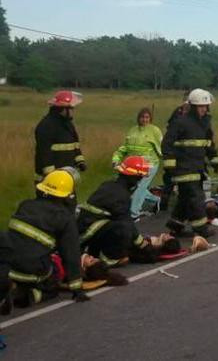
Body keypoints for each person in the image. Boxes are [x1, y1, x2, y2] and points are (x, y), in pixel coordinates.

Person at [8, 170, 88, 307]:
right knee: (53, 282)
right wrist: (77, 288)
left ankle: (12, 286)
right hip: (30, 272)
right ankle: (28, 295)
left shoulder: (25, 205)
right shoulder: (64, 218)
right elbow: (71, 254)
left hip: (6, 266)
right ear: (67, 196)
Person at [161, 88, 218, 238]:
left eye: (206, 106)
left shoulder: (204, 124)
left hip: (198, 167)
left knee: (186, 198)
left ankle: (176, 224)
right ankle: (201, 228)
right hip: (183, 169)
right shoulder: (180, 122)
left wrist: (214, 159)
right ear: (193, 107)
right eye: (201, 106)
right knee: (195, 198)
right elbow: (167, 144)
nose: (204, 109)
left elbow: (209, 143)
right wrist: (170, 165)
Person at [77, 156, 151, 267]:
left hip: (85, 228)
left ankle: (95, 252)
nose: (139, 182)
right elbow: (127, 223)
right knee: (123, 230)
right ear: (134, 177)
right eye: (139, 178)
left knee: (117, 226)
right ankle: (109, 260)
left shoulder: (109, 185)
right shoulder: (121, 195)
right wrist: (142, 244)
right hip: (86, 233)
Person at [111, 107, 164, 217]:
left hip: (149, 164)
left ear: (150, 119)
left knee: (140, 186)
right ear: (138, 118)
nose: (144, 120)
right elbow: (124, 148)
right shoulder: (132, 130)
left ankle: (133, 213)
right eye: (142, 117)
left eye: (147, 117)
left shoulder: (154, 130)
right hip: (134, 165)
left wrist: (169, 159)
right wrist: (116, 160)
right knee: (133, 186)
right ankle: (155, 200)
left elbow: (162, 147)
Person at [34, 90, 86, 184]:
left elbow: (75, 145)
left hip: (66, 175)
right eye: (70, 109)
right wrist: (51, 175)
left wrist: (80, 161)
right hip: (49, 179)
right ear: (62, 109)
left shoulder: (68, 124)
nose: (72, 111)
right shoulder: (46, 125)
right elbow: (44, 153)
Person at [160, 92, 190, 210]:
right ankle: (163, 205)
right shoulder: (177, 112)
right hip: (173, 154)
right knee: (169, 180)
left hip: (186, 155)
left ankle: (183, 205)